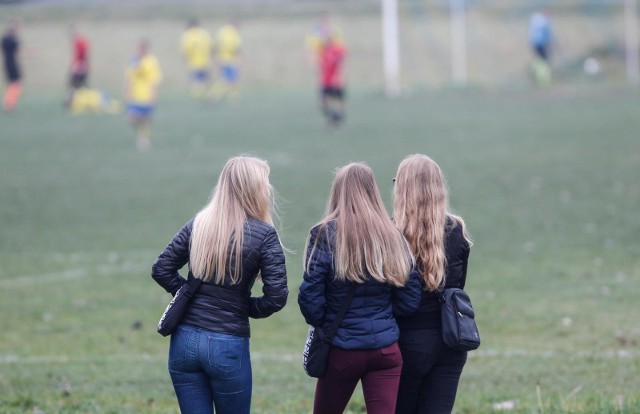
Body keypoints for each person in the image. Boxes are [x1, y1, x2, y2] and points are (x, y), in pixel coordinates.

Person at [152, 155, 288, 414]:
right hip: (227, 345)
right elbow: (276, 298)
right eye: (265, 183)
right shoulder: (264, 234)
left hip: (184, 341)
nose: (269, 189)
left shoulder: (199, 223)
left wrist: (188, 294)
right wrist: (241, 306)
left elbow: (162, 268)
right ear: (255, 189)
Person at [298, 162, 422, 414]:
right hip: (386, 351)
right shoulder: (393, 234)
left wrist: (328, 323)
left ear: (338, 192)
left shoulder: (324, 234)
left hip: (341, 351)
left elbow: (310, 297)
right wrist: (383, 317)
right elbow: (410, 297)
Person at [392, 154, 473, 414]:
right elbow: (457, 286)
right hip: (451, 341)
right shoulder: (457, 229)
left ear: (403, 189)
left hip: (407, 343)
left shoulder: (392, 234)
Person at [125, 38, 162, 151]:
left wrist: (153, 94)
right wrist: (128, 92)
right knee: (132, 119)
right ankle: (142, 135)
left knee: (146, 119)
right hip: (135, 95)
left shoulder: (152, 62)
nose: (140, 50)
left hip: (146, 94)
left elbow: (154, 80)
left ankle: (143, 139)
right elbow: (129, 78)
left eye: (142, 48)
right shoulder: (134, 61)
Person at [180, 18, 213, 99]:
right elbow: (211, 47)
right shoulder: (204, 33)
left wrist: (186, 59)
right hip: (205, 62)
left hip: (193, 63)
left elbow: (185, 50)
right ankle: (206, 96)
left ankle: (199, 97)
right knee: (204, 81)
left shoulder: (187, 35)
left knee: (196, 82)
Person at [211, 21, 242, 102]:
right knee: (232, 80)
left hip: (222, 60)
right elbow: (237, 48)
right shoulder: (234, 34)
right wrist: (239, 59)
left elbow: (216, 46)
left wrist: (216, 59)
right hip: (230, 61)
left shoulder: (221, 32)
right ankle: (233, 98)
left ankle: (214, 95)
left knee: (226, 79)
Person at [528, 9, 553, 87]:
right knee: (544, 60)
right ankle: (543, 79)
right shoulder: (544, 22)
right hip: (542, 43)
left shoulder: (535, 20)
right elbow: (547, 34)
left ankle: (535, 71)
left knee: (539, 59)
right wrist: (549, 43)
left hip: (535, 43)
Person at [66, 27, 90, 107]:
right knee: (79, 85)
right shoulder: (81, 41)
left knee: (75, 85)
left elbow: (81, 55)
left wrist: (76, 66)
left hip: (79, 67)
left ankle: (73, 102)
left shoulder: (79, 42)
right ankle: (76, 102)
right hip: (81, 66)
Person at [2, 22, 22, 112]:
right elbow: (18, 51)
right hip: (11, 63)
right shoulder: (13, 40)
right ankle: (9, 103)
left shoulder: (4, 39)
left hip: (7, 62)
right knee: (16, 84)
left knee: (13, 84)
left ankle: (9, 103)